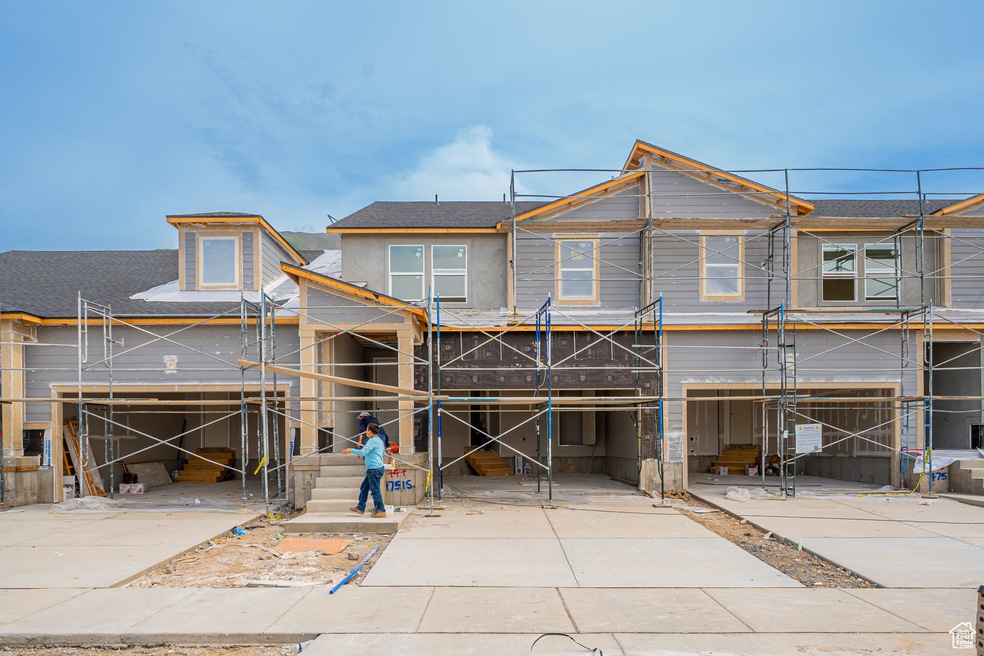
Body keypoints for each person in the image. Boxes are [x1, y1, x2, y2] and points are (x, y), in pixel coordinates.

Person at [342, 423, 388, 518]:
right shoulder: (379, 440)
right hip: (376, 468)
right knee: (364, 488)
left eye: (366, 430)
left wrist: (350, 450)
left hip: (374, 469)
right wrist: (366, 456)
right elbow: (382, 453)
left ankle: (381, 510)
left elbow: (363, 451)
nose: (365, 432)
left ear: (370, 431)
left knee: (375, 490)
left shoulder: (372, 441)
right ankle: (360, 507)